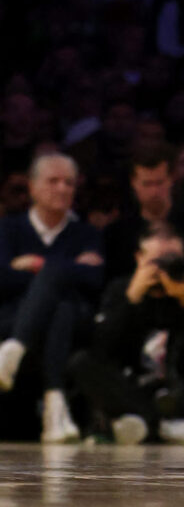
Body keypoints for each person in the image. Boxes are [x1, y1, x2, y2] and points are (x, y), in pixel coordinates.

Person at [67, 221, 184, 443]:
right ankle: (169, 428)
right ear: (139, 258)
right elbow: (102, 350)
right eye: (157, 262)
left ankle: (148, 426)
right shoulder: (121, 290)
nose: (164, 269)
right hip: (133, 389)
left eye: (173, 261)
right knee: (80, 363)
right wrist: (131, 300)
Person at [0, 151, 108, 443]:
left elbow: (96, 279)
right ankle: (55, 403)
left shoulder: (86, 233)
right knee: (59, 303)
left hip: (76, 323)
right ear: (33, 187)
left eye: (69, 183)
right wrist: (68, 269)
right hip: (12, 314)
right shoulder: (8, 228)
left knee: (62, 305)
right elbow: (3, 278)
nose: (62, 188)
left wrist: (37, 264)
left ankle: (12, 351)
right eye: (53, 181)